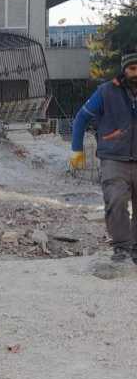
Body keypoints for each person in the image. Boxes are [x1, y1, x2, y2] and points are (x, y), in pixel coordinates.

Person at [70, 51, 137, 264]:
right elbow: (81, 118)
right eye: (132, 68)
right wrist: (76, 149)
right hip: (113, 158)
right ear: (124, 70)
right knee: (116, 201)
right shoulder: (106, 92)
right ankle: (122, 248)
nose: (136, 73)